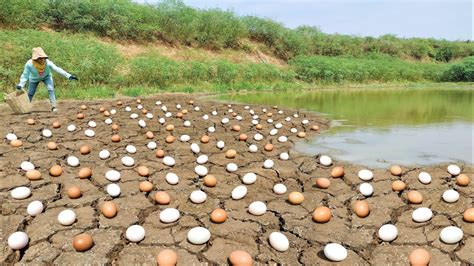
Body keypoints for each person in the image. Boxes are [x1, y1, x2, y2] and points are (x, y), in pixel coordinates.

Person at [16, 47, 78, 112]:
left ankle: (53, 106)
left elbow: (56, 69)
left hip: (47, 77)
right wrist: (21, 84)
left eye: (43, 57)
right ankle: (26, 108)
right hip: (34, 79)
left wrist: (68, 76)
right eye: (40, 58)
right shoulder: (29, 64)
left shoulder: (47, 62)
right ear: (35, 59)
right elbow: (25, 75)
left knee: (51, 89)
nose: (42, 59)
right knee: (30, 93)